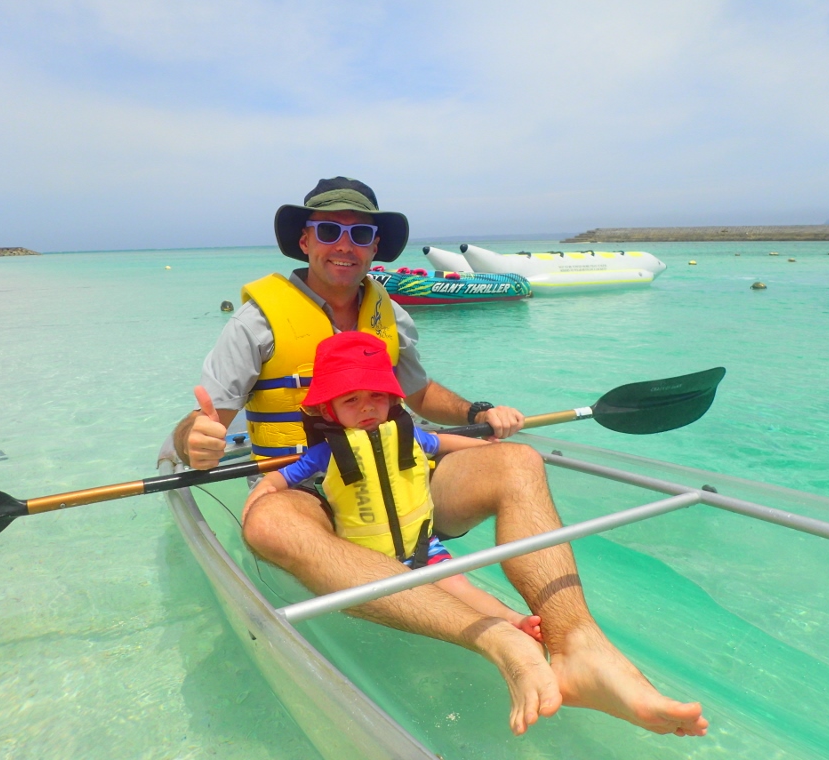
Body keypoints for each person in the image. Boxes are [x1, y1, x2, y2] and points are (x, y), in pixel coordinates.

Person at [174, 176, 708, 737]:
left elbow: (420, 395)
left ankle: (579, 645)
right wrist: (198, 439)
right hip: (312, 491)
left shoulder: (388, 313)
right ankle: (498, 637)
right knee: (270, 523)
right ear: (304, 240)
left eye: (361, 233)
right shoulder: (257, 322)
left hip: (397, 479)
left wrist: (477, 413)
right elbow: (202, 425)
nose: (345, 244)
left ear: (376, 245)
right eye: (329, 230)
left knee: (517, 461)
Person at [242, 330, 543, 642]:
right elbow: (286, 475)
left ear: (391, 399)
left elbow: (441, 441)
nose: (367, 408)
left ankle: (512, 619)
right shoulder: (328, 452)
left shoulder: (405, 435)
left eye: (376, 396)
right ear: (328, 409)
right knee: (419, 605)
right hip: (369, 561)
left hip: (424, 546)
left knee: (460, 587)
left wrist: (485, 449)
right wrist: (264, 489)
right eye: (351, 400)